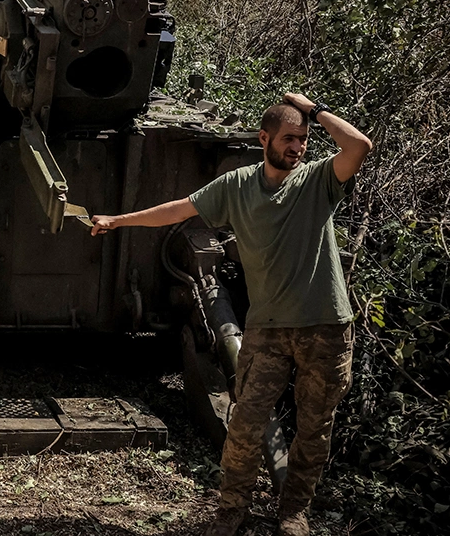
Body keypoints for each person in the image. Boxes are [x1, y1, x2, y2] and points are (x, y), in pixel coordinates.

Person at [90, 94, 372, 536]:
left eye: (303, 139)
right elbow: (178, 209)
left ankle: (293, 512)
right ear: (264, 139)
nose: (298, 147)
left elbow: (359, 146)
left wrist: (313, 110)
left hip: (326, 326)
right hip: (267, 328)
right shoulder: (237, 185)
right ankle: (231, 510)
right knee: (244, 424)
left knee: (314, 428)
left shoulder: (318, 181)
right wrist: (119, 220)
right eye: (289, 138)